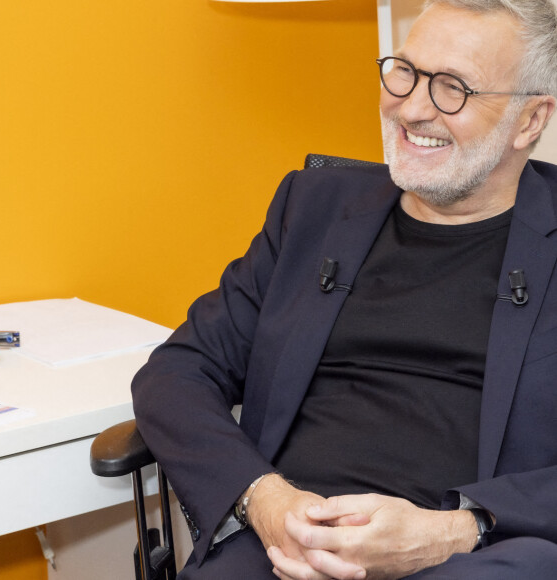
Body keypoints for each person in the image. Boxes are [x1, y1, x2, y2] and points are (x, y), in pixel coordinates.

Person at [132, 1, 557, 578]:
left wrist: (458, 529)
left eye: (452, 88)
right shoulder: (312, 207)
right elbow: (177, 372)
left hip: (477, 554)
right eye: (405, 71)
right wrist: (265, 501)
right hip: (286, 548)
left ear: (530, 121)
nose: (411, 108)